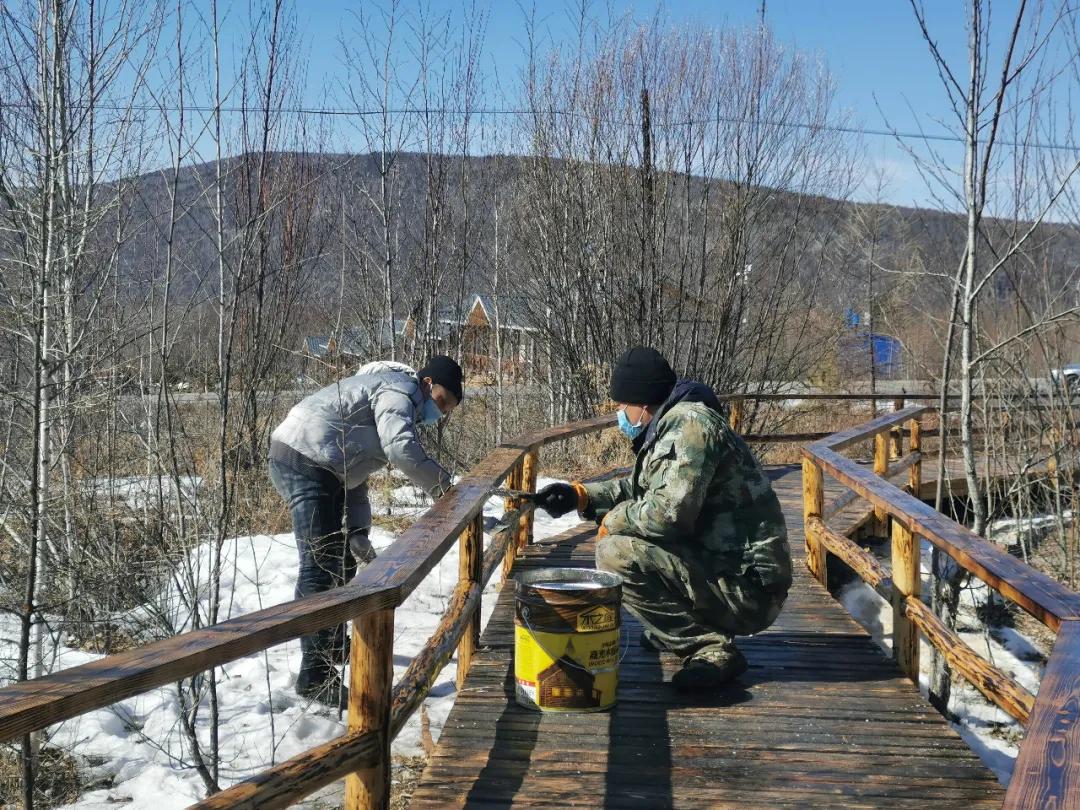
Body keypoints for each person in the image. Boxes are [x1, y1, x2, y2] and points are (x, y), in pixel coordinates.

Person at [532, 347, 791, 690]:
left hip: (749, 589)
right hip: (727, 570)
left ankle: (709, 648)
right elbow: (640, 489)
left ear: (643, 402)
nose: (620, 414)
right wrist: (581, 496)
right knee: (626, 540)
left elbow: (667, 514)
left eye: (623, 406)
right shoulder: (672, 425)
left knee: (615, 553)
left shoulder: (690, 427)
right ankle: (678, 629)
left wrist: (614, 518)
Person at [269, 355, 462, 704]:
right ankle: (315, 676)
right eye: (443, 402)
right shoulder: (399, 390)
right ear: (428, 383)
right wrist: (443, 488)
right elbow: (400, 449)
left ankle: (333, 644)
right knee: (319, 566)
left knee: (339, 560)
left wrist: (358, 530)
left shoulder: (387, 395)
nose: (443, 413)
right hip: (303, 459)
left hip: (317, 462)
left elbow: (353, 473)